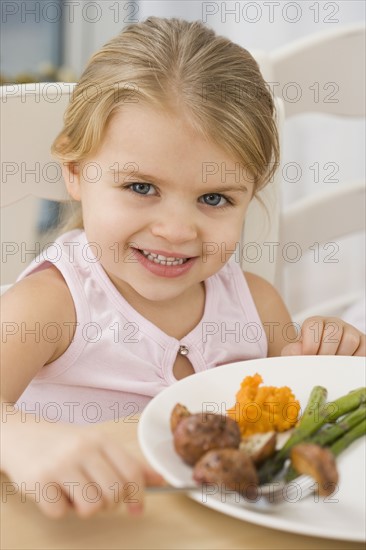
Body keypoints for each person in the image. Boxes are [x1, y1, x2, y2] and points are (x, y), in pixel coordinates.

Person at [1, 17, 364, 520]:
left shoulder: (258, 307)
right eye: (141, 187)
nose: (177, 230)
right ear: (76, 172)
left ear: (250, 196)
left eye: (213, 198)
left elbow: (309, 419)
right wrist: (18, 438)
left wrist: (333, 358)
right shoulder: (51, 305)